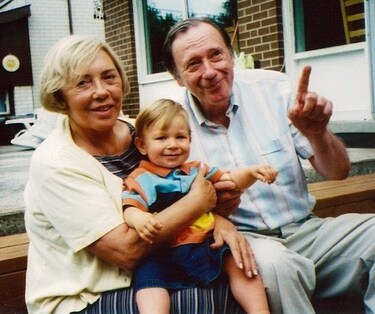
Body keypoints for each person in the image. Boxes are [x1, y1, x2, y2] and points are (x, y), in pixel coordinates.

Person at [24, 35, 254, 314]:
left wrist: (220, 219)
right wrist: (197, 204)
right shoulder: (55, 162)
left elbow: (185, 188)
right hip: (85, 295)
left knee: (245, 272)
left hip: (158, 266)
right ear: (60, 96)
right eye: (83, 82)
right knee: (196, 300)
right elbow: (126, 251)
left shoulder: (141, 133)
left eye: (109, 77)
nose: (101, 91)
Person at [162, 17, 375, 313]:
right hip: (245, 241)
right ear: (177, 76)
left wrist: (318, 134)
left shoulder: (273, 89)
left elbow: (338, 172)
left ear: (231, 54)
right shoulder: (171, 128)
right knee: (277, 266)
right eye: (193, 64)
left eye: (216, 54)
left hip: (306, 229)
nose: (210, 71)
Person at [123, 98, 277, 314]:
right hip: (162, 250)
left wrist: (252, 173)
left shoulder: (196, 170)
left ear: (190, 139)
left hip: (202, 244)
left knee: (237, 261)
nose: (173, 144)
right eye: (161, 138)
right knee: (148, 282)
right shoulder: (141, 178)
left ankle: (259, 311)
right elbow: (129, 207)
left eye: (180, 137)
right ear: (141, 145)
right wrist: (139, 219)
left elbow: (230, 179)